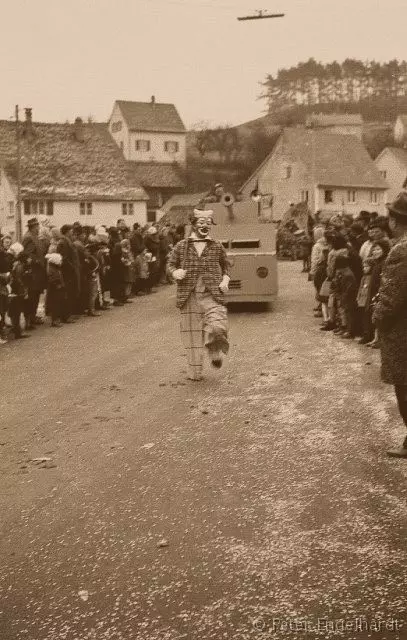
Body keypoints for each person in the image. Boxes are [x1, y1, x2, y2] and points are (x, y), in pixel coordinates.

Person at [167, 208, 230, 381]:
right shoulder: (182, 246)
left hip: (211, 294)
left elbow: (226, 265)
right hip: (189, 295)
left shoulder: (216, 245)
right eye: (201, 223)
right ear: (194, 225)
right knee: (192, 337)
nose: (205, 226)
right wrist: (175, 272)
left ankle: (214, 349)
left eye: (208, 224)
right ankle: (195, 372)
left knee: (218, 326)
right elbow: (170, 264)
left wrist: (225, 279)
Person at [373, 192, 407, 458]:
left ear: (396, 221)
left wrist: (377, 314)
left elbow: (391, 296)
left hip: (402, 333)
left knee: (404, 387)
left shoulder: (401, 250)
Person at [22, 217, 46, 330]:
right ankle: (30, 319)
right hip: (33, 273)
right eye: (37, 226)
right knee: (32, 296)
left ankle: (33, 317)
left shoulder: (34, 236)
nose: (38, 228)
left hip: (38, 272)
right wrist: (37, 261)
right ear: (33, 227)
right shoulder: (28, 237)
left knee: (35, 296)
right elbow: (27, 254)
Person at [45, 252, 66, 327]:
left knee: (58, 304)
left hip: (57, 288)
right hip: (54, 289)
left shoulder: (54, 267)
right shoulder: (51, 268)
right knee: (55, 305)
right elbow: (51, 279)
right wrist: (57, 284)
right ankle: (54, 320)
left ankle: (56, 319)